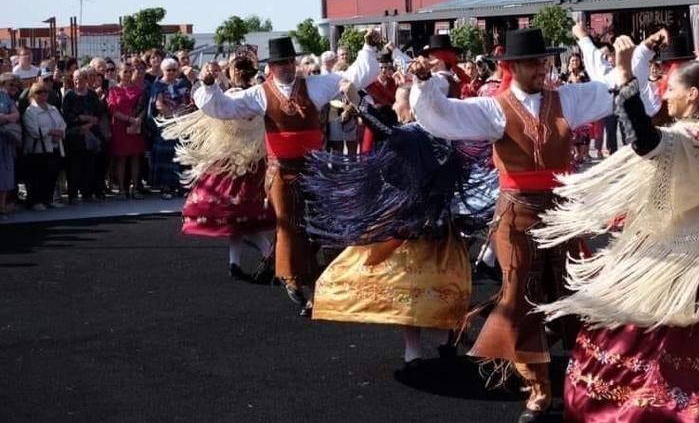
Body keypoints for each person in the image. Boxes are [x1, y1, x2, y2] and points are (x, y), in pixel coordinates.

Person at [531, 37, 699, 422]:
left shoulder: (691, 136)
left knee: (650, 337)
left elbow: (645, 140)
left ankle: (657, 408)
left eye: (670, 88)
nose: (664, 94)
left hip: (677, 260)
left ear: (692, 95)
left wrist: (625, 76)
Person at [409, 28, 614, 422]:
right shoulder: (494, 109)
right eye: (534, 62)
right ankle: (539, 388)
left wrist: (626, 62)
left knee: (575, 290)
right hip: (517, 213)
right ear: (513, 67)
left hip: (562, 213)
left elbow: (610, 90)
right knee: (521, 294)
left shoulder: (566, 99)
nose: (543, 68)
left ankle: (582, 372)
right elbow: (442, 115)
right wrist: (425, 84)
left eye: (544, 61)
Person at [307, 81, 491, 380]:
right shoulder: (448, 135)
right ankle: (439, 342)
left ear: (411, 107)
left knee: (410, 291)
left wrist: (360, 106)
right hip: (439, 227)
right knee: (438, 286)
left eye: (398, 102)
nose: (394, 106)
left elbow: (384, 129)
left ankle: (416, 350)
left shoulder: (413, 134)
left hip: (410, 228)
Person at [191, 33, 380, 315]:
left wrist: (368, 47)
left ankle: (314, 281)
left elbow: (354, 77)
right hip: (282, 171)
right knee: (289, 226)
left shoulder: (314, 85)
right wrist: (208, 84)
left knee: (320, 225)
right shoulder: (260, 93)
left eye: (290, 61)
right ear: (271, 67)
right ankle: (294, 281)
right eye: (281, 63)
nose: (288, 67)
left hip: (314, 168)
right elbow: (223, 107)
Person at [164, 57, 275, 280]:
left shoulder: (233, 97)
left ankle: (257, 258)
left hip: (231, 163)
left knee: (239, 219)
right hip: (252, 163)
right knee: (242, 219)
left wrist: (200, 84)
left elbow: (213, 111)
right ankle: (251, 260)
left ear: (234, 73)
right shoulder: (260, 97)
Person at [149, 58, 192, 198]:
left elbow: (187, 101)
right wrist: (173, 117)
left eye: (174, 69)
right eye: (169, 70)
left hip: (182, 124)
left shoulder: (182, 84)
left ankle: (182, 186)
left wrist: (183, 113)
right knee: (166, 156)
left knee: (181, 154)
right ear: (163, 70)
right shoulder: (158, 85)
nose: (172, 72)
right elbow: (159, 104)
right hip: (167, 124)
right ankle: (166, 187)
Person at [21, 81, 66, 211]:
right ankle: (35, 201)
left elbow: (62, 124)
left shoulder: (53, 108)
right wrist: (51, 132)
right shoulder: (30, 111)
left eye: (45, 92)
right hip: (38, 149)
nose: (43, 94)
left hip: (55, 146)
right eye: (39, 92)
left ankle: (48, 199)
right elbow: (34, 130)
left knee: (52, 174)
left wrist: (59, 133)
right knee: (37, 176)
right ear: (33, 94)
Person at [62, 68, 104, 203]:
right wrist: (82, 120)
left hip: (91, 133)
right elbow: (66, 115)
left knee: (89, 165)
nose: (77, 82)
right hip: (75, 135)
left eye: (80, 79)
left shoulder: (92, 95)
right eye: (75, 79)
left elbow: (98, 113)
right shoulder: (69, 96)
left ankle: (87, 193)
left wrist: (89, 124)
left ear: (86, 80)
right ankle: (73, 194)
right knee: (74, 166)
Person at [107, 65, 147, 198]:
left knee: (136, 157)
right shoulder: (113, 90)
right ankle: (122, 190)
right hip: (119, 127)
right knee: (121, 158)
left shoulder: (138, 90)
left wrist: (138, 120)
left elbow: (143, 107)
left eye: (130, 71)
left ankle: (135, 188)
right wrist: (129, 119)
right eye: (125, 72)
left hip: (136, 126)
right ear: (119, 73)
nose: (128, 74)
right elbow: (113, 110)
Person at [0, 73, 19, 215]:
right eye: (10, 84)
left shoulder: (6, 98)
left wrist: (4, 118)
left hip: (5, 141)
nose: (13, 87)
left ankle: (2, 205)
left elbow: (16, 115)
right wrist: (8, 118)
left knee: (6, 173)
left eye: (14, 85)